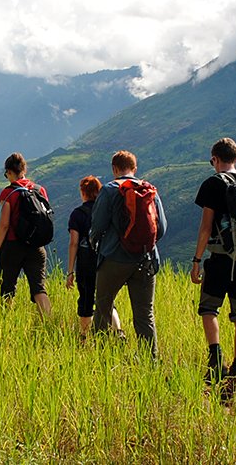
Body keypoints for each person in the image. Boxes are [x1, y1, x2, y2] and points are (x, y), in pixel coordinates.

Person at [189, 138, 236, 390]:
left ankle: (216, 361)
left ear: (215, 159)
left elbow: (206, 226)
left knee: (209, 309)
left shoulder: (213, 184)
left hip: (220, 260)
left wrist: (197, 260)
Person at [89, 150, 167, 357]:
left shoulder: (109, 190)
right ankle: (150, 362)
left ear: (114, 169)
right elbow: (162, 228)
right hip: (146, 259)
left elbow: (97, 226)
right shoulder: (149, 190)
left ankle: (102, 358)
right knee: (144, 314)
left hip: (114, 257)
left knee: (103, 306)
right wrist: (142, 244)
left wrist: (96, 245)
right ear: (135, 168)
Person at [0, 152, 52, 315]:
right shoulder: (40, 190)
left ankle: (7, 323)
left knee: (8, 288)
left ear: (9, 172)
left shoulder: (8, 193)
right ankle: (49, 323)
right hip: (37, 247)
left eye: (6, 174)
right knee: (39, 288)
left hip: (12, 246)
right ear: (24, 169)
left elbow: (4, 225)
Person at [66, 175, 122, 337]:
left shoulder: (77, 214)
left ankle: (84, 339)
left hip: (85, 264)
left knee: (86, 299)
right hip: (106, 260)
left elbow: (74, 243)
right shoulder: (106, 211)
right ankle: (118, 334)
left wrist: (70, 271)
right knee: (107, 299)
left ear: (83, 192)